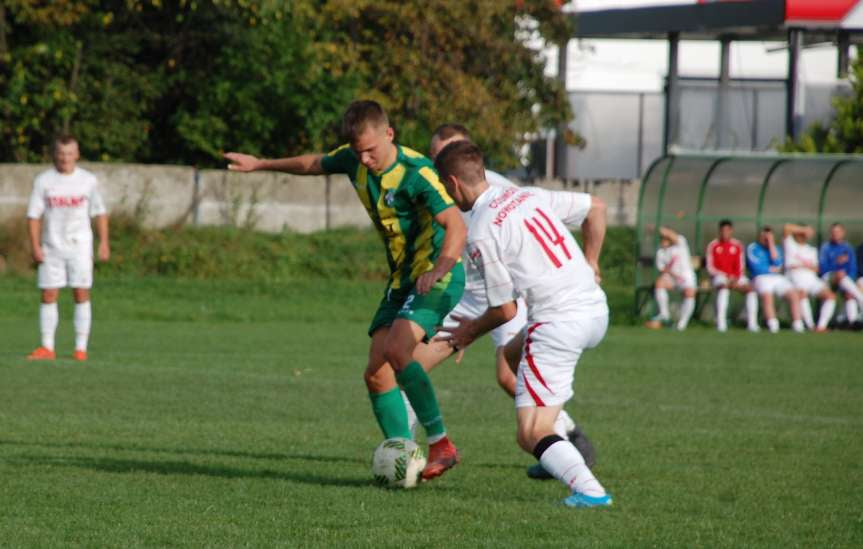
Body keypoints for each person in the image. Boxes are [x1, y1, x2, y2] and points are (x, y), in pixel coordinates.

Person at [224, 100, 466, 480]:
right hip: (402, 280)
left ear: (389, 134)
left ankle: (441, 444)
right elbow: (314, 164)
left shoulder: (417, 172)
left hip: (439, 276)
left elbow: (456, 224)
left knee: (398, 350)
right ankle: (406, 457)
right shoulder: (353, 160)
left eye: (371, 150)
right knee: (377, 374)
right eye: (358, 152)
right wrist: (260, 163)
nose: (365, 159)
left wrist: (441, 267)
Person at [412, 123, 601, 479]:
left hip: (508, 296)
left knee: (506, 374)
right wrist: (448, 309)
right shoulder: (440, 188)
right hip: (469, 291)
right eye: (435, 154)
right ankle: (409, 449)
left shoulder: (495, 190)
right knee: (409, 363)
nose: (439, 162)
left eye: (446, 154)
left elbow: (586, 212)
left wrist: (590, 262)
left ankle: (563, 439)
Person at [26, 135, 110, 362]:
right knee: (48, 293)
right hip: (51, 247)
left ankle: (80, 348)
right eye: (61, 153)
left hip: (80, 247)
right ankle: (47, 347)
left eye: (70, 153)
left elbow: (99, 212)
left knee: (81, 292)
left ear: (77, 154)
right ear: (55, 154)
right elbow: (34, 215)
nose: (65, 158)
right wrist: (35, 245)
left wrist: (104, 242)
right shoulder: (44, 181)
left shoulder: (88, 180)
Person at [746, 226, 804, 333]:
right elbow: (755, 267)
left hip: (776, 278)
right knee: (767, 296)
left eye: (769, 236)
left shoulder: (776, 248)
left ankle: (797, 324)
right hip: (760, 277)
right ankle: (773, 325)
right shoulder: (753, 247)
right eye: (764, 236)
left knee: (794, 294)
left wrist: (771, 244)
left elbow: (778, 263)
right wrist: (769, 269)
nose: (766, 238)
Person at [705, 220, 759, 332]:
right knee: (723, 288)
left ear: (731, 231)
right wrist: (726, 276)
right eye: (723, 230)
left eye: (727, 230)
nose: (725, 233)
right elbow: (710, 267)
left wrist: (735, 278)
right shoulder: (713, 245)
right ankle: (721, 322)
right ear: (719, 231)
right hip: (719, 277)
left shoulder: (737, 245)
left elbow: (741, 265)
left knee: (750, 289)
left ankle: (752, 323)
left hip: (736, 277)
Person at [782, 223, 835, 332]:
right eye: (801, 233)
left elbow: (816, 268)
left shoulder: (811, 250)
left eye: (804, 234)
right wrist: (804, 229)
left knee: (830, 296)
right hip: (796, 277)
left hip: (811, 279)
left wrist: (802, 265)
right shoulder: (790, 245)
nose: (803, 235)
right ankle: (810, 325)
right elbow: (786, 228)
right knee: (802, 293)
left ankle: (821, 326)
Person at [645, 226, 696, 331]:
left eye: (665, 237)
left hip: (686, 277)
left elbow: (670, 234)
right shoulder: (661, 252)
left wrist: (655, 228)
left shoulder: (681, 243)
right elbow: (662, 268)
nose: (663, 240)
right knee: (659, 283)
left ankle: (682, 324)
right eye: (662, 238)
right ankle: (664, 314)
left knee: (689, 292)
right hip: (672, 278)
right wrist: (671, 273)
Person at [819, 223, 863, 326]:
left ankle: (852, 323)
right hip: (829, 277)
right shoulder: (826, 247)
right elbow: (822, 267)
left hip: (845, 280)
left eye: (838, 232)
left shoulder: (847, 248)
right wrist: (836, 264)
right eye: (833, 232)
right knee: (842, 279)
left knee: (850, 294)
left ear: (843, 233)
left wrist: (849, 277)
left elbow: (853, 268)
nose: (835, 234)